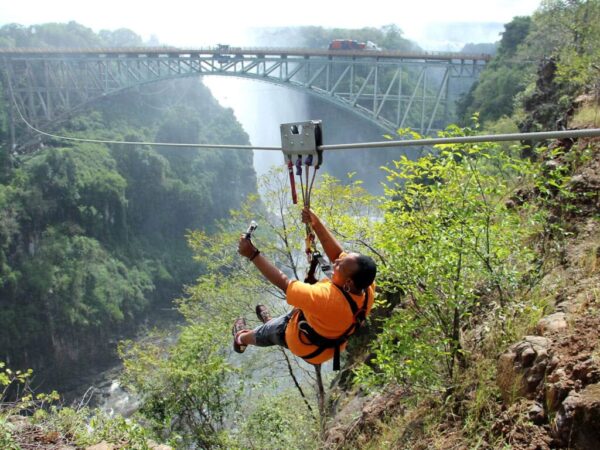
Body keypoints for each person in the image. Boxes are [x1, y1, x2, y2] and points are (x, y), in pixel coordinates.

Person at [234, 207, 377, 369]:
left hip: (304, 344)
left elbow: (285, 284)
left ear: (348, 283)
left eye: (339, 267)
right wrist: (315, 222)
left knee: (269, 332)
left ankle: (240, 339)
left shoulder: (327, 299)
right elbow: (338, 254)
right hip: (325, 334)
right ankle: (272, 321)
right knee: (298, 309)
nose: (335, 262)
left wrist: (252, 254)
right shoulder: (366, 284)